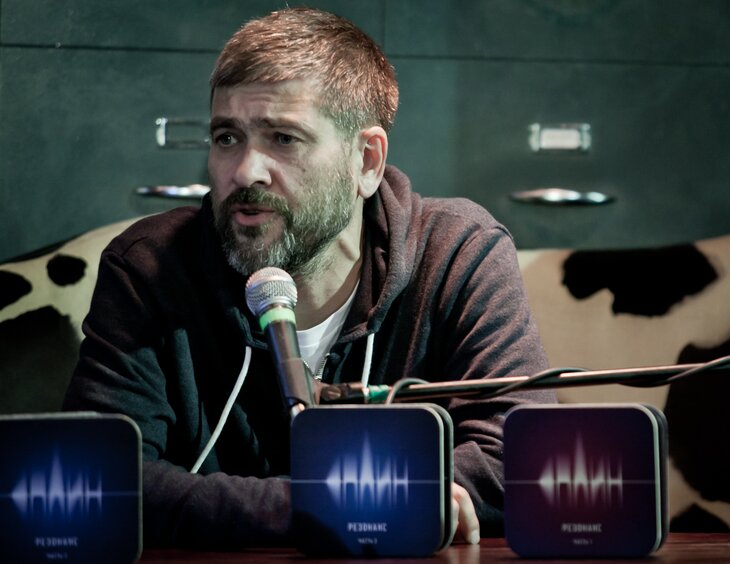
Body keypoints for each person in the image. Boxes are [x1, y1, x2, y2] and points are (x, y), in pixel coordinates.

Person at [63, 7, 553, 550]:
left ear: (366, 161)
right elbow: (101, 476)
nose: (245, 171)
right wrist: (342, 502)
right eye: (227, 137)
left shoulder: (458, 253)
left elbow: (522, 456)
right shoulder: (148, 267)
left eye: (283, 138)